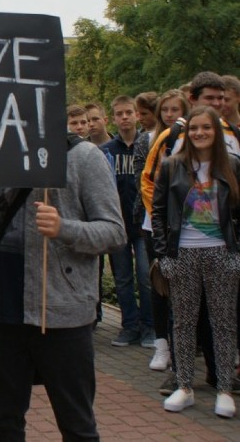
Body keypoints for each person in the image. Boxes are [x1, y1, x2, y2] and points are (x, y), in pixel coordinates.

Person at [0, 135, 126, 441]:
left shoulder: (83, 156)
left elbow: (115, 232)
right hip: (1, 314)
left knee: (77, 425)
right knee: (3, 424)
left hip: (64, 315)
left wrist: (64, 228)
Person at [152, 105, 240, 418]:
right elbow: (159, 212)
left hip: (221, 252)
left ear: (216, 132)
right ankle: (185, 386)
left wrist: (236, 253)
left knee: (224, 323)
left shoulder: (231, 164)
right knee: (183, 322)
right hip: (183, 252)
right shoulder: (173, 165)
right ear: (187, 133)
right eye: (193, 128)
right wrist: (164, 255)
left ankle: (225, 389)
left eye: (206, 128)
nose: (199, 133)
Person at [135, 88, 189, 373]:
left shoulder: (190, 138)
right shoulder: (149, 140)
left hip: (184, 225)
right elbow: (142, 179)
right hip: (153, 223)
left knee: (181, 288)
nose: (170, 115)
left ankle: (184, 349)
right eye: (165, 110)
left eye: (175, 110)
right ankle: (161, 344)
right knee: (156, 282)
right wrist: (158, 214)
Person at [102, 95, 153, 347]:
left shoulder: (148, 145)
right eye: (119, 113)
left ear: (136, 115)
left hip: (143, 225)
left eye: (128, 113)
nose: (124, 117)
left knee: (145, 276)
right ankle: (129, 326)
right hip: (117, 225)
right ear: (113, 118)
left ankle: (149, 327)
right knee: (122, 279)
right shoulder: (107, 151)